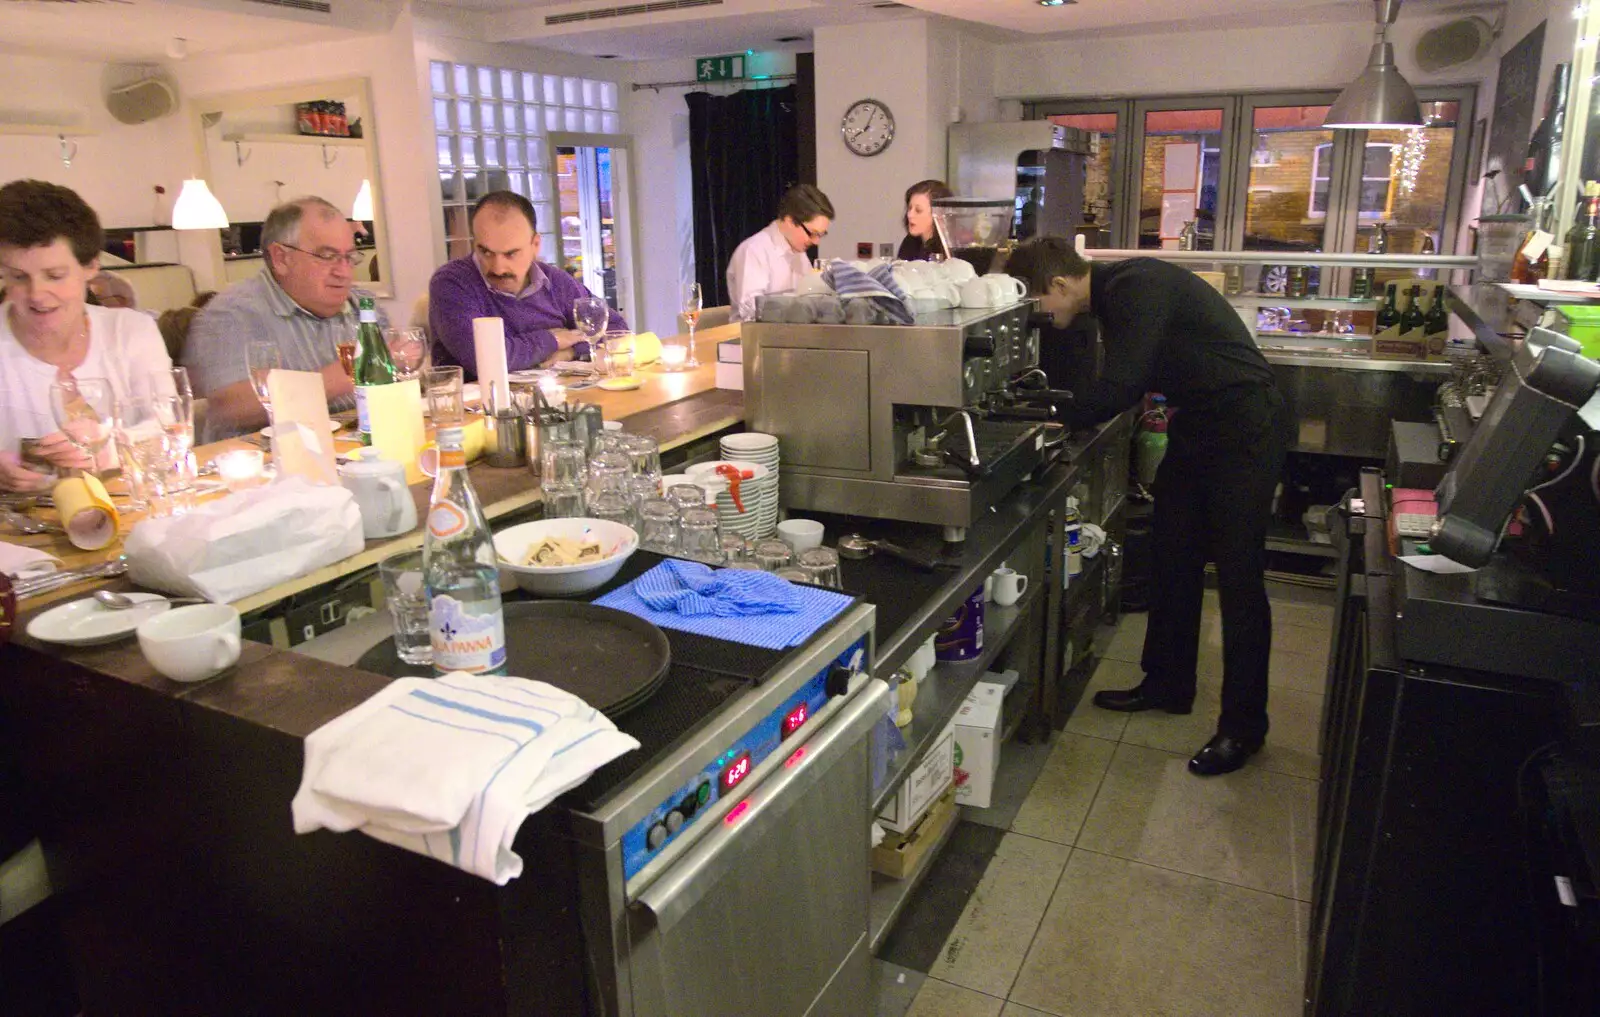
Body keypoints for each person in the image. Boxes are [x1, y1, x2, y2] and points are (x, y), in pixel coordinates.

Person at [1006, 237, 1292, 776]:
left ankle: (1243, 729)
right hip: (1201, 423)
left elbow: (1126, 382)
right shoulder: (1115, 297)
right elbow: (1123, 382)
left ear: (1060, 286)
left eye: (1037, 304)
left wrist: (1055, 419)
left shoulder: (1136, 286)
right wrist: (1053, 406)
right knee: (1172, 554)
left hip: (1247, 424)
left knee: (1238, 579)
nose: (1038, 318)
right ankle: (1167, 682)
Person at [0, 180, 173, 493]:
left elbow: (170, 427)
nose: (37, 294)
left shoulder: (131, 332)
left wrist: (107, 450)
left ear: (91, 265)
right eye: (18, 277)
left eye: (55, 276)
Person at [182, 196, 382, 443]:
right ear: (281, 258)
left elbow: (396, 380)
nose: (344, 271)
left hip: (355, 450)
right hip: (265, 465)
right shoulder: (230, 315)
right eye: (327, 256)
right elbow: (231, 406)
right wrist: (351, 372)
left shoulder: (363, 305)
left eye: (349, 257)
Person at [428, 191, 621, 380]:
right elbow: (485, 360)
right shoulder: (451, 283)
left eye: (510, 254)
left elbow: (614, 329)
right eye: (485, 252)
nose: (498, 268)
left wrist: (571, 350)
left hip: (556, 401)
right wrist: (553, 339)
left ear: (535, 245)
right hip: (476, 407)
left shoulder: (556, 281)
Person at [726, 184, 833, 322]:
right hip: (753, 339)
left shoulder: (799, 253)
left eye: (821, 235)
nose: (816, 242)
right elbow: (751, 311)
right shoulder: (754, 250)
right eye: (812, 233)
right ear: (789, 221)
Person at [897, 179, 952, 261]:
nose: (909, 215)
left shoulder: (950, 248)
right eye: (909, 208)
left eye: (918, 210)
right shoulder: (910, 242)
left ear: (940, 214)